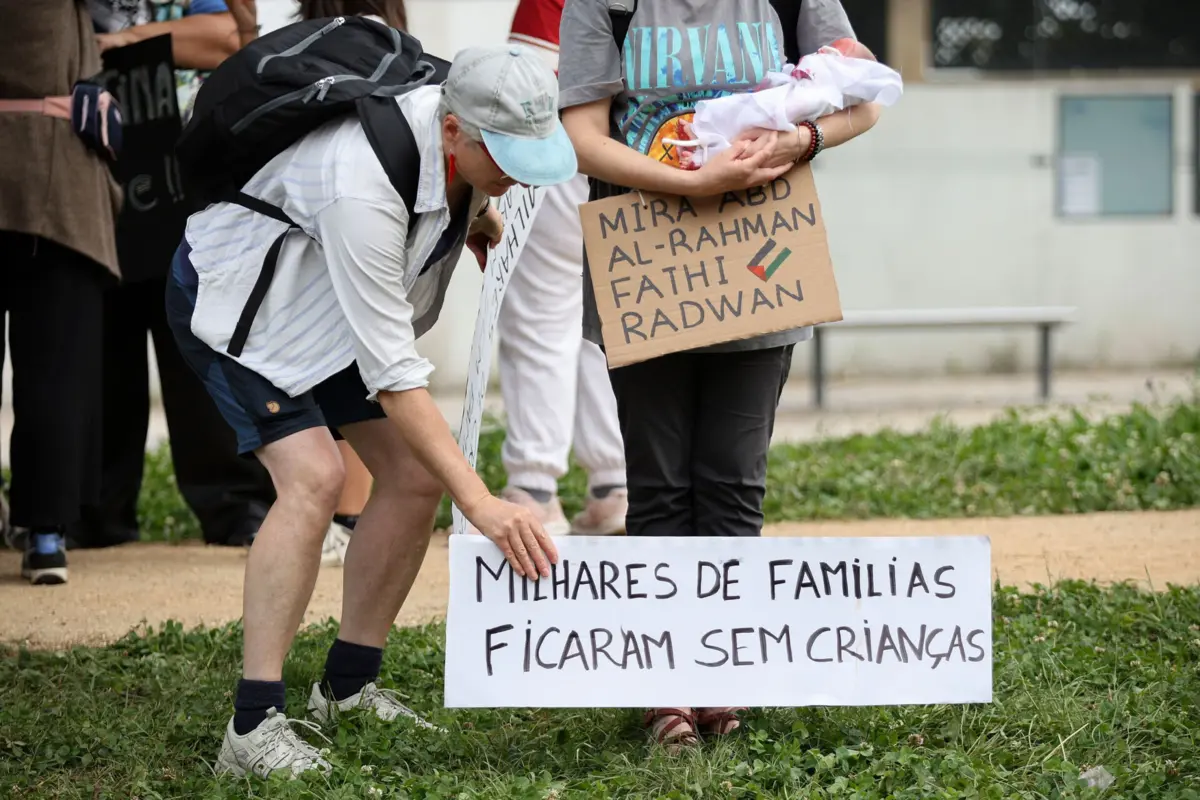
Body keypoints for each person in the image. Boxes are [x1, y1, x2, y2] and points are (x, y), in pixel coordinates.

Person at [166, 41, 566, 777]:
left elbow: (447, 193)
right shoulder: (359, 183)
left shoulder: (459, 123)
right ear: (455, 133)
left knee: (414, 477)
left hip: (330, 309)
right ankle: (251, 729)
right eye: (506, 156)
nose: (517, 172)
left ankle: (347, 687)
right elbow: (394, 378)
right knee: (315, 477)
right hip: (246, 310)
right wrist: (482, 503)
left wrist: (472, 214)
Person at [558, 0, 882, 750]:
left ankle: (723, 673)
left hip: (760, 258)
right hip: (642, 261)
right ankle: (667, 685)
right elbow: (582, 137)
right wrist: (693, 185)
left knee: (735, 484)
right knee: (661, 486)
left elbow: (863, 98)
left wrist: (804, 137)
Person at [493, 0, 628, 536]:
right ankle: (617, 483)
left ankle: (535, 488)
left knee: (542, 316)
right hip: (646, 144)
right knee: (613, 315)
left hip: (559, 137)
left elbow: (525, 74)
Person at [0, 0, 124, 585]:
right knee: (56, 371)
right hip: (56, 178)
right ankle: (46, 532)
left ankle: (42, 527)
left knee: (53, 369)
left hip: (42, 164)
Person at [289, 0, 414, 564]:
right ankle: (348, 518)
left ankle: (338, 519)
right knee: (366, 377)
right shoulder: (387, 44)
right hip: (364, 227)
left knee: (334, 382)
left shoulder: (295, 42)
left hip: (301, 236)